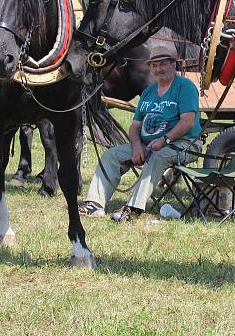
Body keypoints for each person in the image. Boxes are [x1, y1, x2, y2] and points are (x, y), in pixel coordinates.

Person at [78, 44, 202, 220]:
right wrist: (136, 146)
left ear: (173, 65)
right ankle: (95, 205)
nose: (158, 69)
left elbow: (187, 122)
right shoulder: (148, 92)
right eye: (154, 65)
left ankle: (133, 209)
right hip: (148, 145)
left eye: (163, 64)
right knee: (111, 155)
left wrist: (164, 140)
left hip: (183, 144)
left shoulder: (185, 87)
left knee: (157, 156)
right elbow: (135, 125)